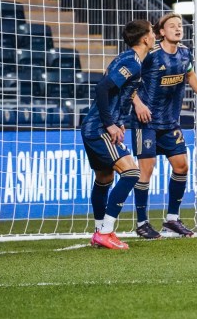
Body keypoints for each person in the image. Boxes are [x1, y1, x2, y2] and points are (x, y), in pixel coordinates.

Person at [130, 12, 197, 238]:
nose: (178, 29)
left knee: (181, 166)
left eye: (180, 25)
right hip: (146, 122)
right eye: (172, 26)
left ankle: (172, 220)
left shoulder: (185, 53)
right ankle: (142, 223)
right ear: (161, 32)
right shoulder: (150, 55)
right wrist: (138, 104)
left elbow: (190, 75)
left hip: (170, 122)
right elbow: (128, 80)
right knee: (146, 170)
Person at [80, 19, 154, 250]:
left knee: (104, 179)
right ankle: (106, 232)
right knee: (131, 173)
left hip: (96, 126)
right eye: (152, 32)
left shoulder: (127, 59)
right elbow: (102, 87)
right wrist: (110, 123)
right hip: (98, 128)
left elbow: (120, 95)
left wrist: (119, 122)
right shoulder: (131, 63)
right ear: (145, 38)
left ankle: (99, 231)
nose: (155, 36)